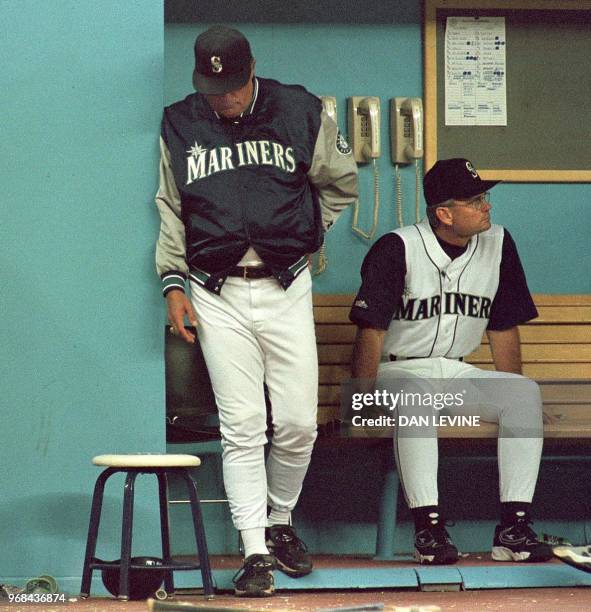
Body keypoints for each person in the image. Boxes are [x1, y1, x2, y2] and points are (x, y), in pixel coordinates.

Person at [155, 26, 358, 597]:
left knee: (295, 423)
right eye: (213, 88)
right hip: (214, 289)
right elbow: (171, 208)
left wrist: (306, 235)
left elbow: (340, 185)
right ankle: (254, 551)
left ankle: (280, 520)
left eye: (233, 87)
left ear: (252, 71)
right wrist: (173, 284)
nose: (224, 99)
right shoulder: (179, 122)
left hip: (285, 283)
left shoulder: (299, 110)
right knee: (242, 427)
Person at [349, 158, 553, 565]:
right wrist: (362, 402)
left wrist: (513, 403)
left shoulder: (497, 243)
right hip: (399, 370)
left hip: (456, 368)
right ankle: (428, 529)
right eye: (475, 199)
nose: (487, 207)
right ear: (444, 213)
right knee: (415, 397)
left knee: (523, 393)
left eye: (485, 197)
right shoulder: (398, 247)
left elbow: (503, 327)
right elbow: (371, 330)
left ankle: (513, 530)